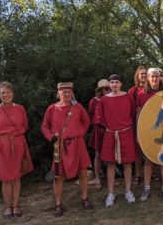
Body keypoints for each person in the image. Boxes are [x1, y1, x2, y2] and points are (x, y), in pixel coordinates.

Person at [41, 82, 93, 217]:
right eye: (64, 92)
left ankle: (85, 199)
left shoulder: (78, 107)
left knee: (82, 172)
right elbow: (44, 126)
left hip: (77, 144)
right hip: (60, 146)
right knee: (59, 176)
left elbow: (86, 122)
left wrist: (79, 133)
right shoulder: (52, 109)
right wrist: (51, 137)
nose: (67, 94)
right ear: (58, 94)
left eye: (69, 92)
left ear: (72, 93)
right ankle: (58, 204)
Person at [0, 81, 34, 218]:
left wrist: (15, 138)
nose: (5, 95)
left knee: (17, 176)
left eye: (8, 92)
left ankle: (16, 205)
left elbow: (25, 126)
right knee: (6, 178)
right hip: (1, 146)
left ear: (12, 93)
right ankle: (8, 206)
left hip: (18, 143)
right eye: (2, 93)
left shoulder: (20, 108)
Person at [96, 74, 137, 207]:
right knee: (111, 164)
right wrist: (110, 127)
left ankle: (128, 191)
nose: (114, 85)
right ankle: (111, 193)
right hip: (111, 134)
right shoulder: (103, 100)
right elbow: (101, 117)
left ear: (121, 84)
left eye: (116, 82)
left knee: (128, 164)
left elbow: (132, 113)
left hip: (126, 132)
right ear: (109, 85)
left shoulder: (128, 96)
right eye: (112, 82)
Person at [136, 68, 163, 203]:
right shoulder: (141, 94)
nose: (154, 79)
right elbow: (139, 114)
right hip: (148, 131)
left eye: (156, 76)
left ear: (160, 78)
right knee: (148, 160)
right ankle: (147, 188)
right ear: (147, 78)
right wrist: (138, 132)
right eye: (152, 76)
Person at [88, 79, 110, 189]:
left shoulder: (112, 99)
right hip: (99, 130)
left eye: (108, 88)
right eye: (104, 88)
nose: (106, 90)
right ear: (100, 90)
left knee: (111, 155)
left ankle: (112, 178)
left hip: (110, 129)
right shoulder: (93, 101)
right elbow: (91, 115)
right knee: (98, 155)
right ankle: (97, 178)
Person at [128, 66, 148, 185]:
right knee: (138, 148)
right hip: (136, 121)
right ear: (138, 76)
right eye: (142, 74)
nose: (144, 76)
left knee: (149, 147)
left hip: (149, 122)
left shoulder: (151, 89)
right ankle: (138, 173)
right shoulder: (133, 91)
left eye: (146, 74)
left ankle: (151, 170)